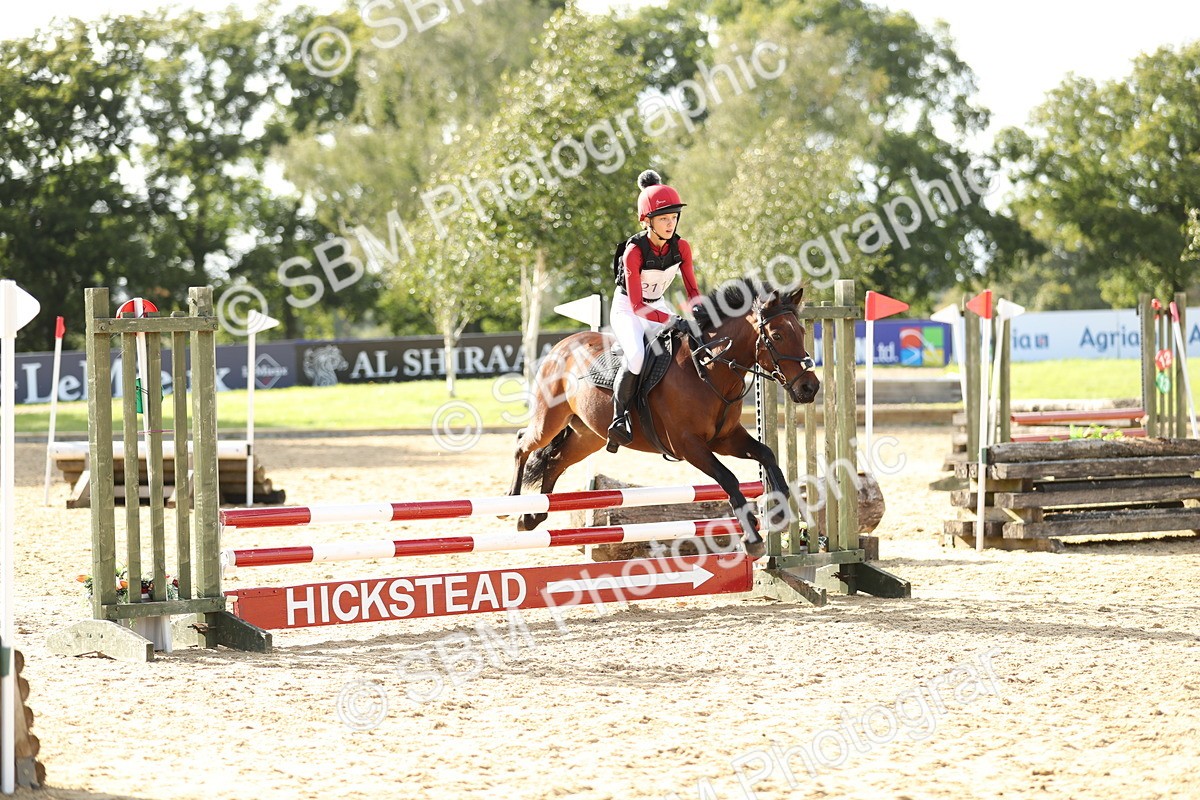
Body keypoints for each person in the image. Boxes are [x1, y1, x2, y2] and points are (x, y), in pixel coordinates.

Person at [606, 169, 703, 452]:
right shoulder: (634, 251)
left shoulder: (682, 247)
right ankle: (619, 418)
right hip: (628, 309)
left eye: (673, 218)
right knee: (636, 357)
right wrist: (673, 319)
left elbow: (693, 291)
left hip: (658, 304)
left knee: (683, 349)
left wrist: (698, 315)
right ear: (647, 221)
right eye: (663, 218)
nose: (670, 223)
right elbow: (637, 305)